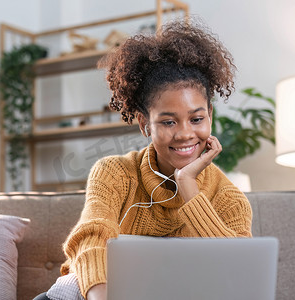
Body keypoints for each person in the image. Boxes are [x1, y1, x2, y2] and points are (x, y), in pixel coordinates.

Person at [34, 19, 252, 300]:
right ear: (144, 124)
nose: (185, 134)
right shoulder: (114, 173)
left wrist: (188, 185)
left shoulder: (229, 199)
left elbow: (238, 272)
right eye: (168, 122)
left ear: (210, 114)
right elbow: (93, 235)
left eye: (196, 119)